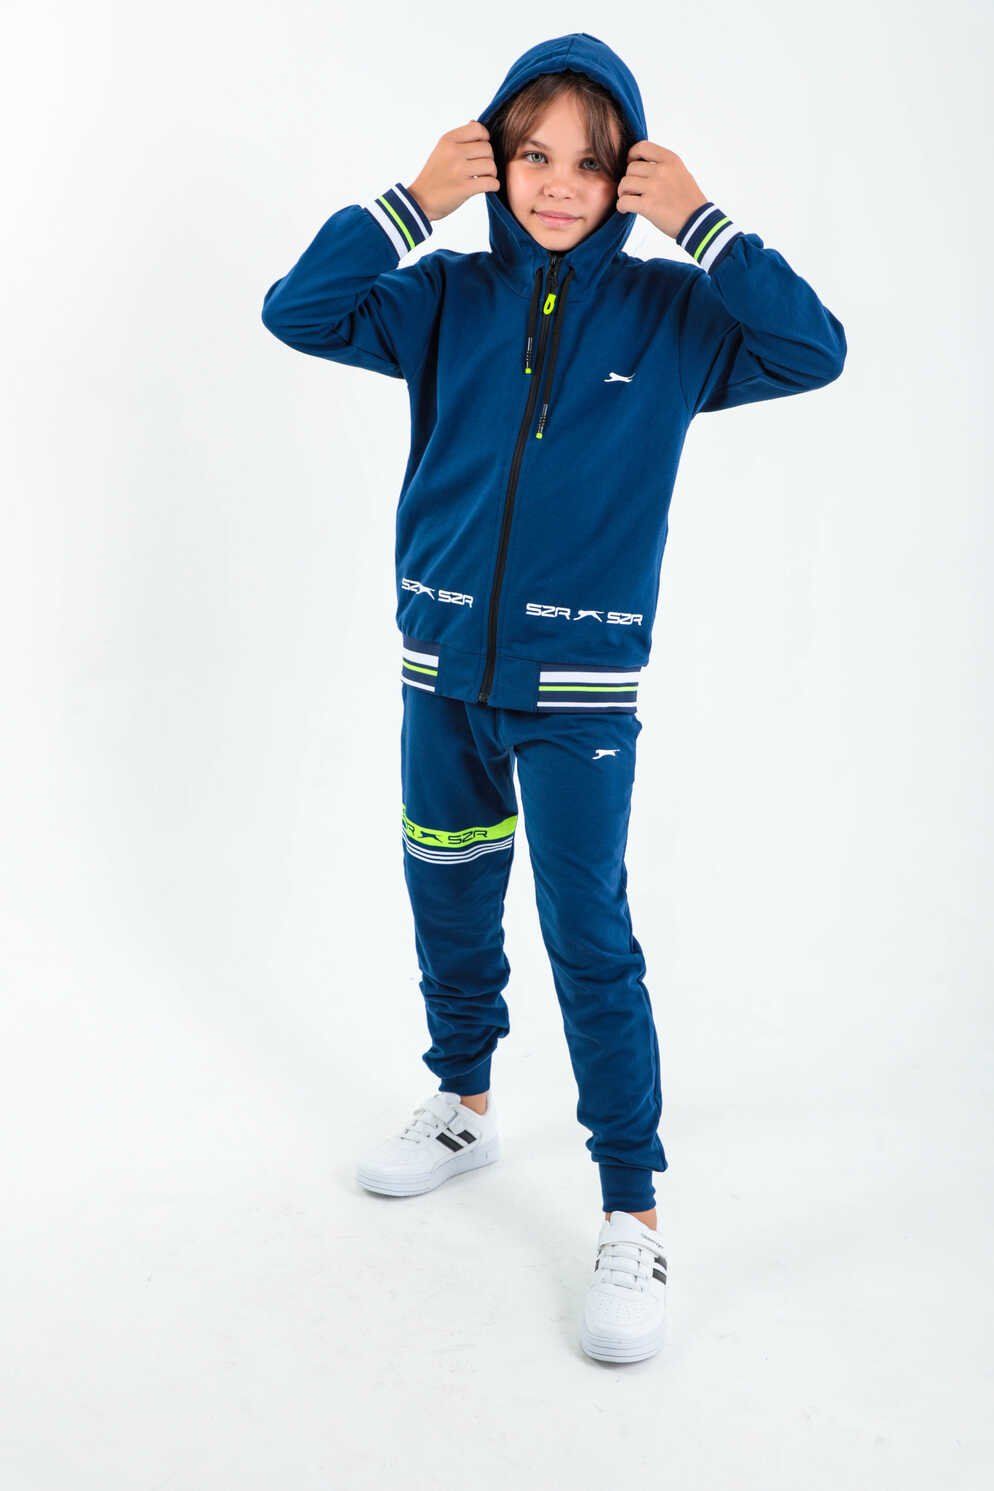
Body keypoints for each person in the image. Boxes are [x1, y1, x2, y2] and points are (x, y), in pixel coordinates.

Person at [260, 31, 846, 1363]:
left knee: (588, 936)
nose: (561, 184)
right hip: (441, 672)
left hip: (577, 694)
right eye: (533, 155)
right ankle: (462, 1102)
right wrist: (411, 201)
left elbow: (814, 347)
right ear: (495, 159)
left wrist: (702, 225)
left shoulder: (676, 320)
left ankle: (632, 1213)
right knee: (448, 887)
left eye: (593, 161)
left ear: (630, 174)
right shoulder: (444, 295)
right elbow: (299, 311)